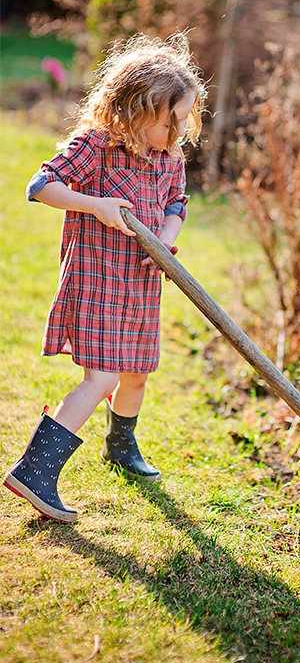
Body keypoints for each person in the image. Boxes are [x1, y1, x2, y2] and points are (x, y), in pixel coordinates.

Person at [3, 33, 205, 524]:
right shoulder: (96, 145)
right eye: (168, 122)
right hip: (97, 279)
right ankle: (34, 472)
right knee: (104, 377)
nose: (176, 133)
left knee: (137, 371)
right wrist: (96, 205)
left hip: (140, 285)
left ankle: (121, 444)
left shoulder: (169, 158)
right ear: (135, 108)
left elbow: (177, 202)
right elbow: (40, 186)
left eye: (184, 122)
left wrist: (165, 239)